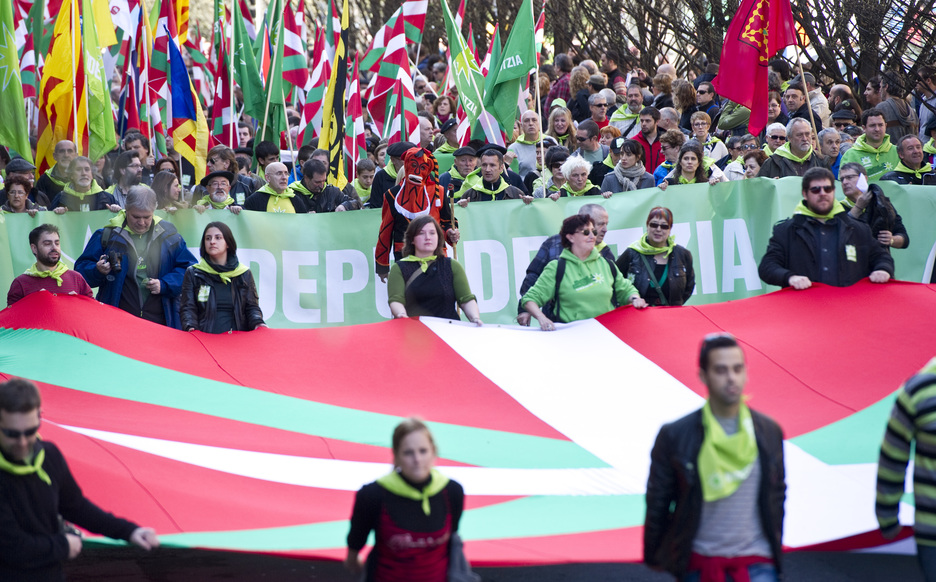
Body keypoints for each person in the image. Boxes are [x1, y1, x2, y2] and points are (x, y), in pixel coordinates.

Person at [644, 334, 785, 582]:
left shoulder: (769, 432)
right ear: (703, 376)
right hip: (699, 565)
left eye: (737, 369)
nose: (731, 377)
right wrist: (654, 555)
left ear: (746, 373)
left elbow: (777, 495)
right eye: (721, 370)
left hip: (758, 565)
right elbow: (659, 500)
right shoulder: (676, 435)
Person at [0, 378, 160, 580]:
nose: (23, 442)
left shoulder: (49, 456)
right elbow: (13, 548)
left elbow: (76, 507)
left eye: (30, 431)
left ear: (40, 417)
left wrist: (129, 531)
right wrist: (64, 545)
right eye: (12, 434)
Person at [345, 418, 468, 582]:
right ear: (396, 456)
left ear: (433, 452)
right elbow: (355, 544)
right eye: (408, 452)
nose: (417, 459)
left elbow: (452, 537)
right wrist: (353, 561)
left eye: (423, 451)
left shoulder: (452, 491)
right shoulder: (372, 495)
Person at [75, 186, 197, 328]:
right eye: (136, 217)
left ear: (154, 211)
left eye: (147, 217)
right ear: (126, 209)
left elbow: (189, 271)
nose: (141, 222)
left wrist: (165, 284)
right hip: (117, 322)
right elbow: (79, 273)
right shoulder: (106, 235)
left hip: (161, 322)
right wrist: (97, 270)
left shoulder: (170, 236)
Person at [758, 167, 894, 289]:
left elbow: (881, 257)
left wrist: (883, 269)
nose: (822, 193)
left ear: (833, 191)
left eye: (827, 189)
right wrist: (790, 278)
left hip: (847, 305)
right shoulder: (785, 231)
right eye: (815, 189)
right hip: (803, 305)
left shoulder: (858, 229)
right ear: (805, 194)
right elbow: (767, 267)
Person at [521, 214, 647, 329]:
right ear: (570, 237)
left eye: (594, 231)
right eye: (586, 232)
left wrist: (635, 298)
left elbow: (626, 290)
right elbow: (530, 299)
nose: (592, 236)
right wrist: (542, 318)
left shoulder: (606, 264)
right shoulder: (556, 267)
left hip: (606, 335)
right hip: (572, 338)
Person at [876, 357, 936, 582]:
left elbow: (892, 457)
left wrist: (887, 516)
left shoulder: (919, 389)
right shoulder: (919, 389)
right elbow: (893, 457)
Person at [517, 205, 612, 325]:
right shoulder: (553, 244)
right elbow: (533, 276)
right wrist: (525, 310)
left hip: (600, 326)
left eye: (606, 224)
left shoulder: (605, 254)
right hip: (562, 326)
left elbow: (620, 290)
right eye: (600, 224)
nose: (605, 229)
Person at [376, 147, 458, 282]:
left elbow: (447, 221)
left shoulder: (439, 192)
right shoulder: (392, 195)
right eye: (413, 165)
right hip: (405, 257)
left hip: (435, 254)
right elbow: (385, 231)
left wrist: (450, 232)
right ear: (407, 165)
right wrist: (382, 265)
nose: (417, 172)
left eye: (423, 167)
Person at [387, 216, 481, 323]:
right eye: (421, 233)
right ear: (412, 239)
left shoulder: (452, 265)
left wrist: (475, 318)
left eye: (432, 233)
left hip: (448, 330)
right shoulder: (399, 268)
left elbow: (466, 299)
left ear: (438, 237)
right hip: (414, 330)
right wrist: (401, 315)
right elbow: (396, 300)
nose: (428, 237)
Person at [180, 222, 264, 333]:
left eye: (218, 238)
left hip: (238, 338)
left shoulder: (244, 273)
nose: (212, 242)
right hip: (204, 338)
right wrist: (191, 327)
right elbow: (188, 308)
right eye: (208, 238)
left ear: (228, 243)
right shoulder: (193, 273)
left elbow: (252, 308)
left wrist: (258, 323)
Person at [617, 207, 695, 306]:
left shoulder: (682, 254)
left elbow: (689, 286)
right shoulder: (632, 253)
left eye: (664, 226)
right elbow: (615, 281)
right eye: (654, 225)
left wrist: (674, 306)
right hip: (640, 313)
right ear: (647, 226)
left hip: (671, 314)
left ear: (670, 229)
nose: (658, 229)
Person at [7, 224, 93, 306]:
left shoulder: (76, 278)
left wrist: (79, 303)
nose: (54, 247)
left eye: (57, 243)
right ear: (34, 248)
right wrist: (34, 303)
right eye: (47, 244)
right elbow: (12, 314)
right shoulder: (21, 283)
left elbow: (94, 309)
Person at [839, 162, 909, 250]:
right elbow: (840, 236)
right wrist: (858, 207)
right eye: (842, 179)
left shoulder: (881, 203)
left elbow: (904, 238)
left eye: (849, 177)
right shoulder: (837, 208)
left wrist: (892, 240)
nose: (844, 182)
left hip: (880, 257)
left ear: (864, 178)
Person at [839, 108, 900, 181]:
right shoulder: (851, 155)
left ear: (885, 126)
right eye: (872, 125)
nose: (877, 129)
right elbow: (844, 183)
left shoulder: (897, 152)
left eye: (880, 125)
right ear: (864, 128)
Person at [757, 118, 824, 178]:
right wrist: (771, 184)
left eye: (807, 134)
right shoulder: (773, 162)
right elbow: (760, 186)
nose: (805, 139)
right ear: (789, 138)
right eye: (799, 135)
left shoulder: (821, 161)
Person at [457, 148, 528, 204]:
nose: (487, 169)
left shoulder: (516, 194)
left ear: (501, 168)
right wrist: (461, 208)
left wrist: (529, 204)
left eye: (492, 165)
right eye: (484, 165)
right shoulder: (469, 195)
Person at [50, 157, 119, 213]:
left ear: (92, 174)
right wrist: (56, 213)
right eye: (78, 169)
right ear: (71, 175)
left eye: (87, 169)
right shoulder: (61, 198)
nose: (84, 173)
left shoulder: (107, 199)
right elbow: (49, 222)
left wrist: (117, 210)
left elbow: (120, 220)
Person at [291, 159, 359, 212]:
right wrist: (305, 216)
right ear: (306, 178)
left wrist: (345, 206)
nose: (321, 185)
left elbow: (356, 203)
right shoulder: (293, 194)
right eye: (317, 182)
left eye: (324, 181)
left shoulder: (332, 191)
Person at [368, 141, 415, 209]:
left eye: (412, 159)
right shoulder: (381, 176)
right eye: (404, 159)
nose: (409, 162)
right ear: (393, 160)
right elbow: (375, 205)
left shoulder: (420, 174)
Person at [660, 143, 727, 188]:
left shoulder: (706, 184)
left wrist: (716, 188)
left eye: (693, 159)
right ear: (680, 162)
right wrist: (661, 190)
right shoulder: (669, 183)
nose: (689, 162)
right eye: (686, 158)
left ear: (698, 163)